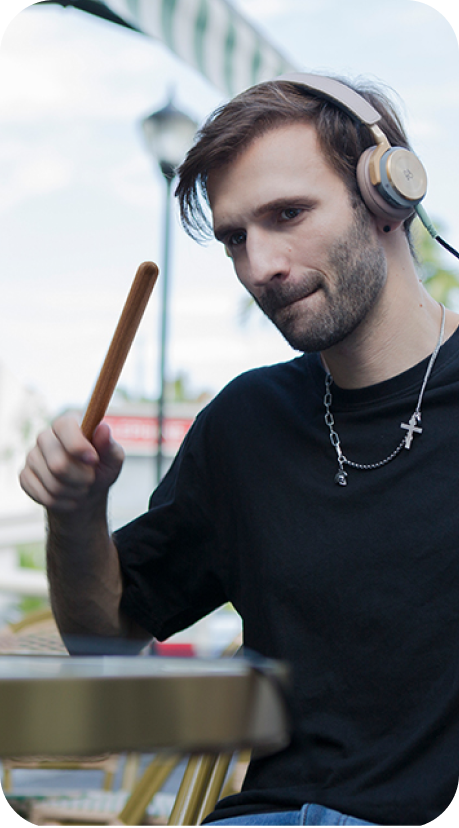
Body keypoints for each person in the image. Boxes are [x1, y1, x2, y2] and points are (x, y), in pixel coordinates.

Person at [20, 74, 459, 826]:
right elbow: (105, 643)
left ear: (388, 194)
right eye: (234, 238)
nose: (259, 266)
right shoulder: (244, 423)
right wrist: (76, 513)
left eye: (288, 214)